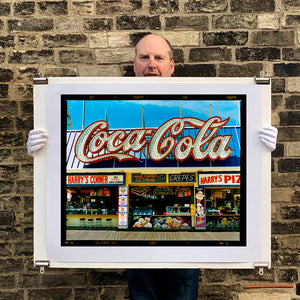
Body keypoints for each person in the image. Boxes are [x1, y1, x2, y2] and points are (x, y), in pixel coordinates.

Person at [27, 33, 278, 300]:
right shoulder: (113, 108)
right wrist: (46, 152)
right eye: (144, 57)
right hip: (136, 247)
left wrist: (257, 148)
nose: (151, 64)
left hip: (187, 250)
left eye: (159, 57)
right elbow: (83, 170)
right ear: (134, 64)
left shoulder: (197, 110)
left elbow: (232, 166)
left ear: (171, 66)